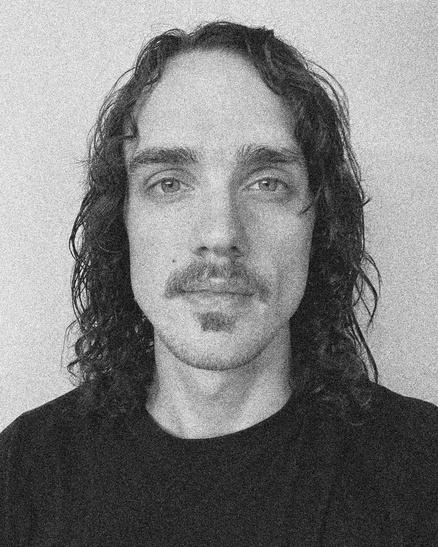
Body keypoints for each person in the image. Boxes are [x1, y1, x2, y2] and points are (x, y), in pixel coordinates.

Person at [1, 21, 436, 546]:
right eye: (169, 183)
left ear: (320, 224)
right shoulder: (24, 473)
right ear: (122, 221)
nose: (221, 234)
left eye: (267, 183)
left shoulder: (422, 472)